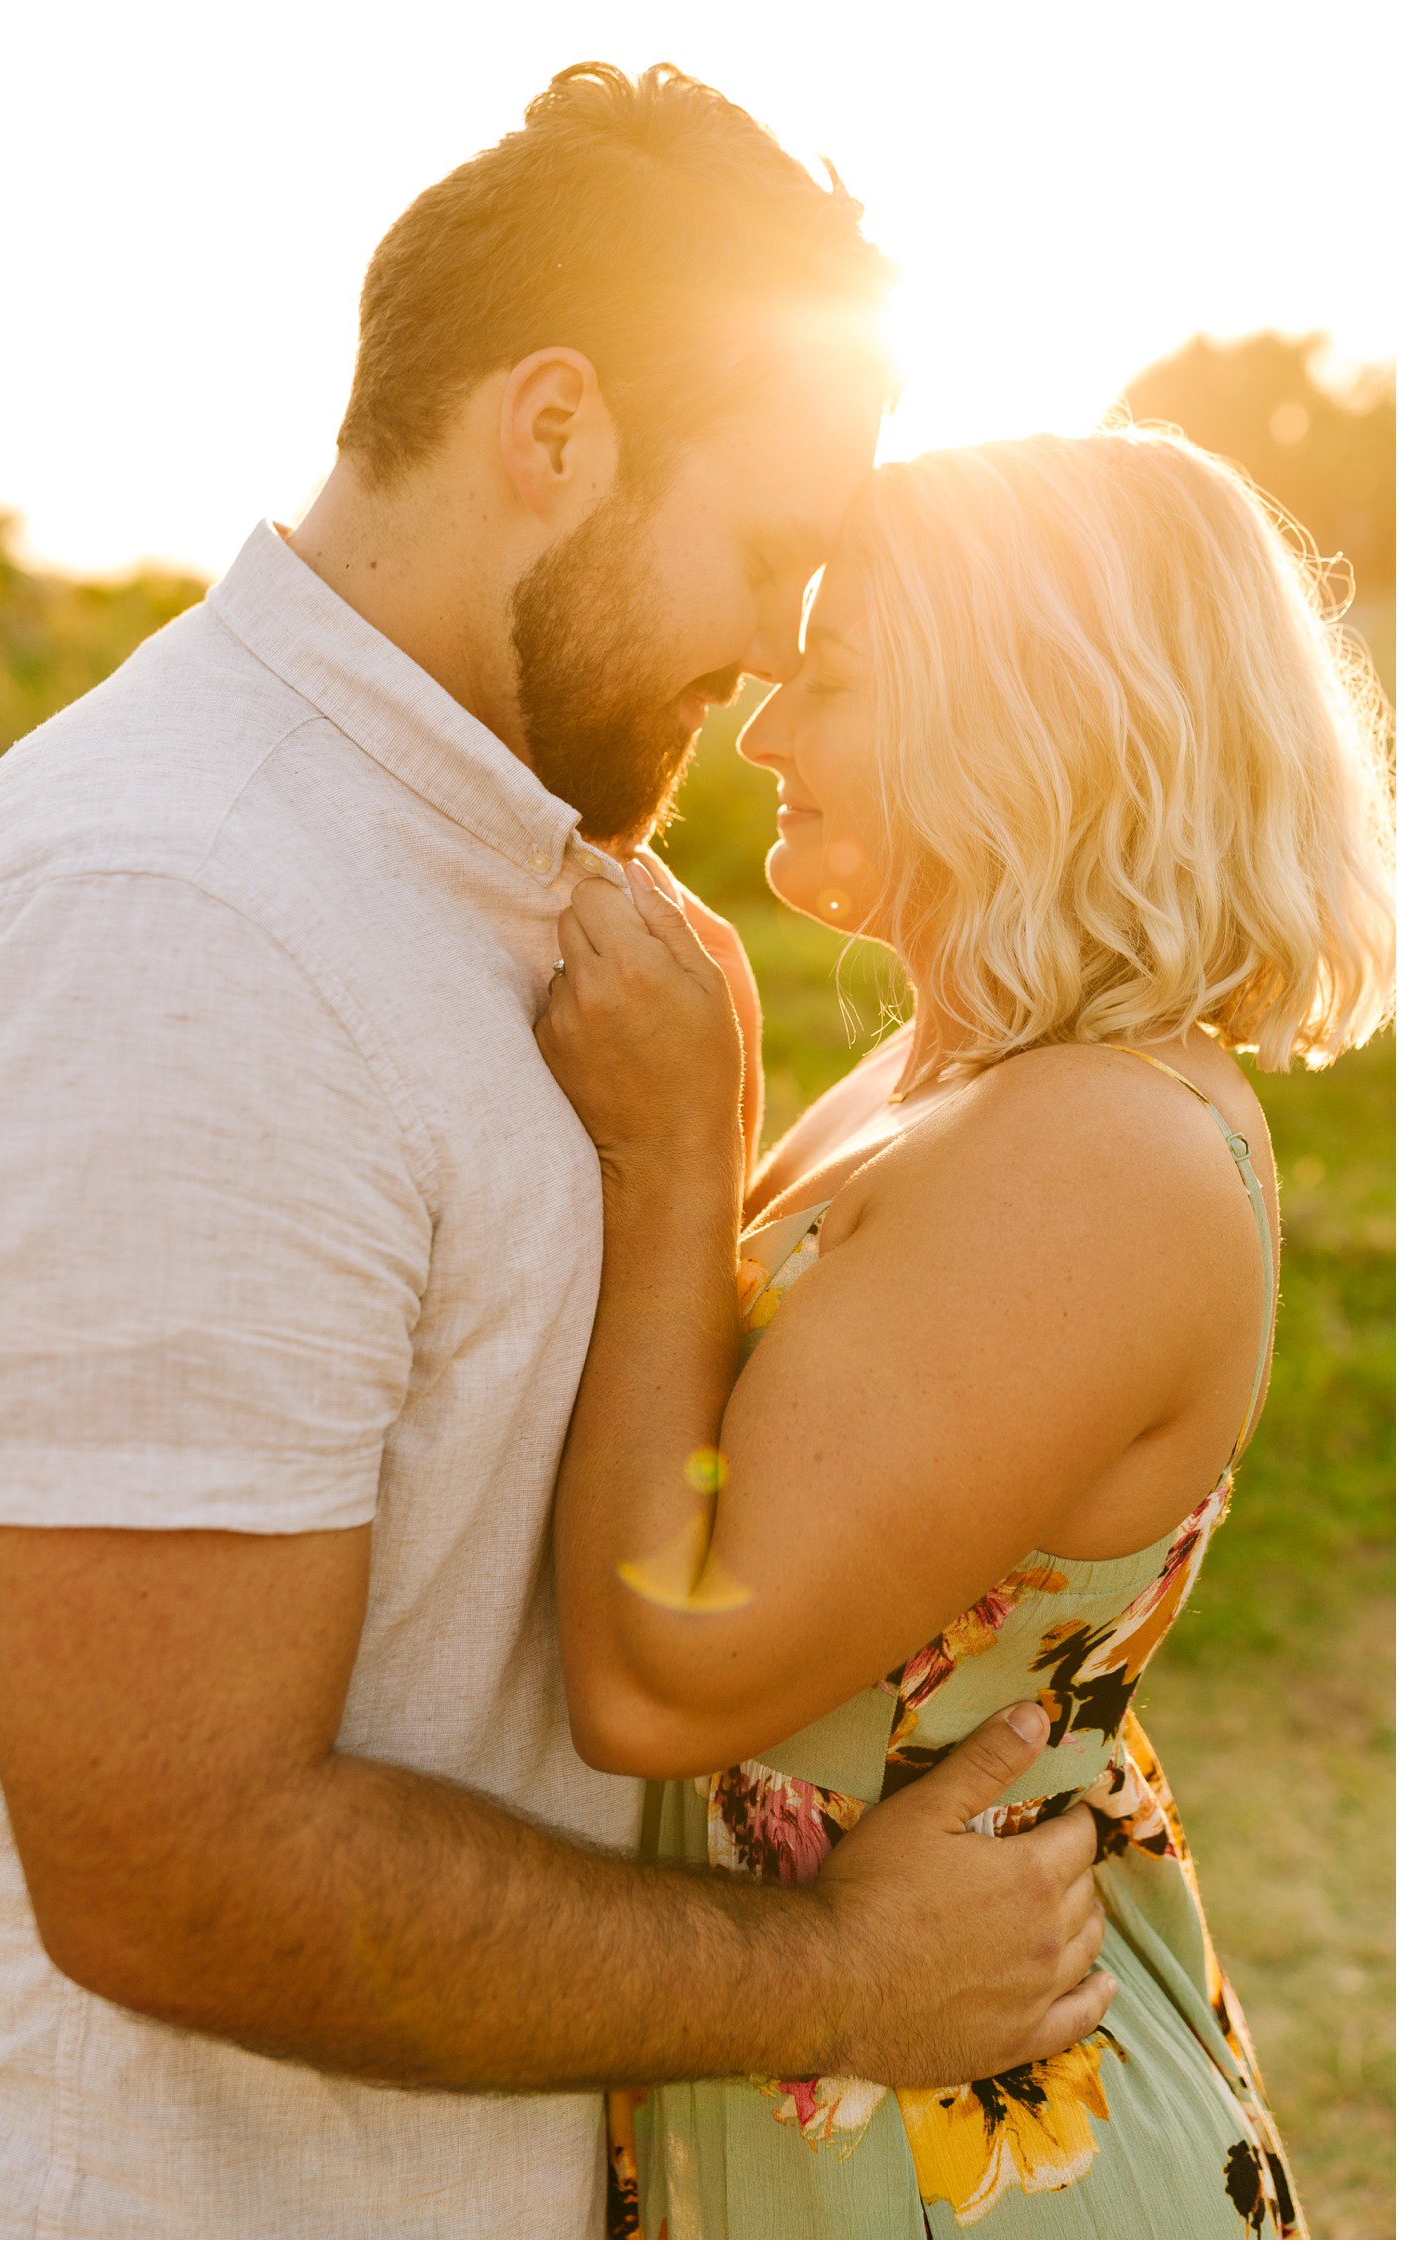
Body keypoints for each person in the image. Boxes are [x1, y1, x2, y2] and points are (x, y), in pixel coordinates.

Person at [0, 65, 1113, 2245]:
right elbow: (181, 1871)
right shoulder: (172, 928)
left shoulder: (496, 879)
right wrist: (842, 1979)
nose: (773, 652)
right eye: (767, 556)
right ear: (548, 431)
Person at [535, 428, 1395, 2239]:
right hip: (832, 2040)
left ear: (1035, 715)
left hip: (942, 2140)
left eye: (830, 680)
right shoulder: (961, 1068)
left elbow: (657, 1679)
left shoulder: (1095, 1149)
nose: (760, 731)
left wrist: (684, 1151)